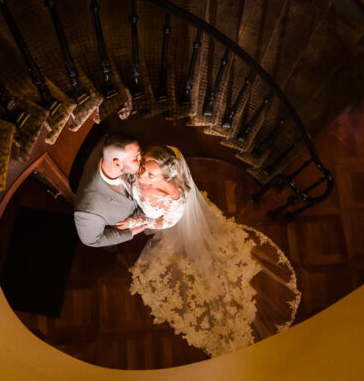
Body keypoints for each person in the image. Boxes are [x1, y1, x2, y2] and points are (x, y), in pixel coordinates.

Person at [128, 145, 300, 357]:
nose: (142, 173)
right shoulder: (137, 169)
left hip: (162, 224)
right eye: (144, 164)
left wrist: (143, 222)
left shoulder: (172, 197)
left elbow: (168, 221)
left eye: (151, 173)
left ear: (165, 178)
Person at [73, 132, 147, 248]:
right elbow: (92, 241)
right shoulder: (89, 211)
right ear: (117, 163)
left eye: (140, 154)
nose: (142, 160)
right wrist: (130, 232)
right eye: (136, 158)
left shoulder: (109, 143)